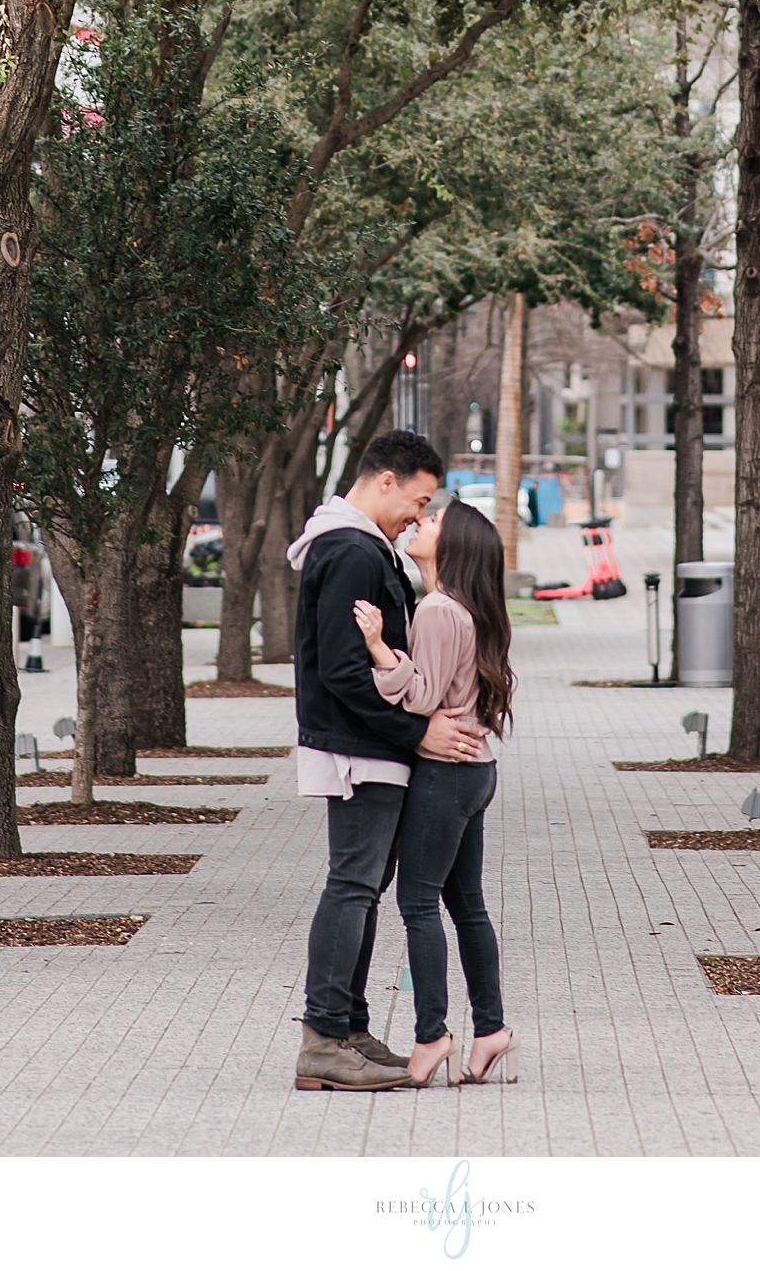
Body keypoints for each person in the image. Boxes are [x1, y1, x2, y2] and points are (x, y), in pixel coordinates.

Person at [288, 430, 484, 1094]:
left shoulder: (360, 545)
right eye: (419, 500)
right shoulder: (349, 548)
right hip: (358, 750)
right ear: (386, 480)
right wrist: (415, 733)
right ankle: (324, 1039)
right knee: (353, 886)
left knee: (361, 890)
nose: (417, 516)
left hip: (368, 747)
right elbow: (342, 670)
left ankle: (346, 1029)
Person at [354, 495, 516, 1088]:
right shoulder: (456, 607)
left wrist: (377, 649)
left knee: (418, 902)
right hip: (473, 771)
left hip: (447, 775)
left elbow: (421, 699)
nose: (421, 520)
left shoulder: (439, 611)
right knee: (465, 904)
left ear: (453, 547)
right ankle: (492, 1028)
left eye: (435, 520)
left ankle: (432, 1036)